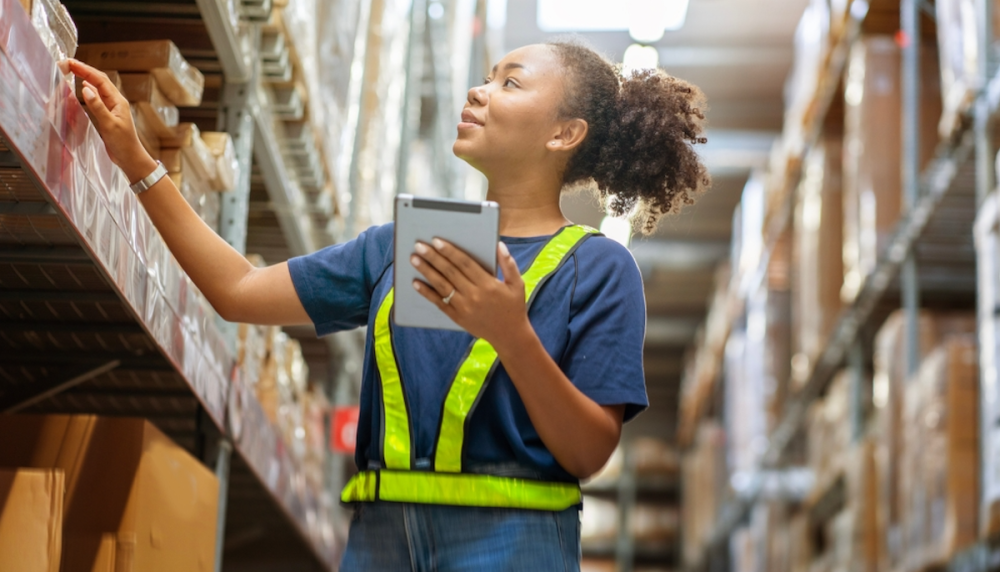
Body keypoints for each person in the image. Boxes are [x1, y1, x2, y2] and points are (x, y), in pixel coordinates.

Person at [64, 38, 709, 571]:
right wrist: (136, 158)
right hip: (379, 541)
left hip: (516, 542)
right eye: (486, 77)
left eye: (510, 83)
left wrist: (510, 333)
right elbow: (236, 291)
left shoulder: (599, 269)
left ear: (564, 133)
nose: (477, 92)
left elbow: (588, 452)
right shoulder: (403, 246)